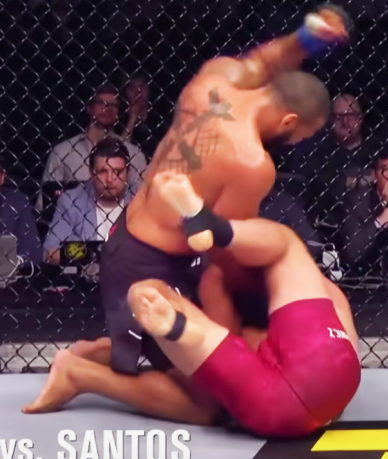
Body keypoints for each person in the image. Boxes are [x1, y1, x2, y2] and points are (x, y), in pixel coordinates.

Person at [97, 5, 351, 376]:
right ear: (289, 121)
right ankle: (81, 373)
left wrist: (305, 40)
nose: (296, 143)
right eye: (301, 136)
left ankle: (110, 352)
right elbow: (223, 249)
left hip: (124, 236)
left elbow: (263, 60)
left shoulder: (215, 79)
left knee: (221, 338)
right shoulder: (251, 164)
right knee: (208, 387)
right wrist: (283, 278)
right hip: (148, 270)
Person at [23, 171, 361, 436]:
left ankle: (109, 358)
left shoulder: (224, 275)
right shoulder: (289, 279)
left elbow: (217, 362)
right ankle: (134, 341)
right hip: (338, 379)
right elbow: (339, 323)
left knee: (207, 399)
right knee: (287, 247)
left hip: (271, 398)